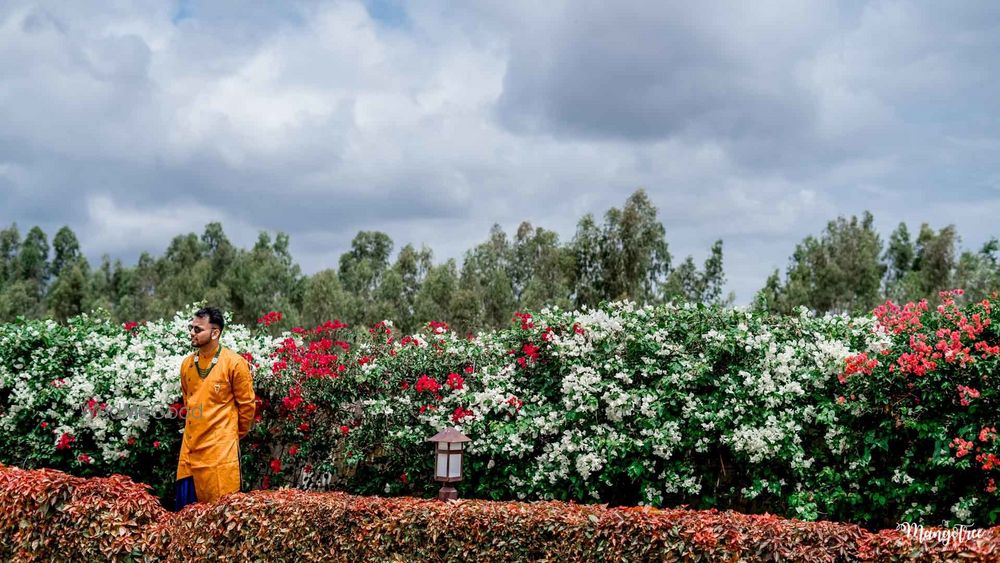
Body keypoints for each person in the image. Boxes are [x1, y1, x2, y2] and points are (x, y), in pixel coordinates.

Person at [174, 307, 256, 510]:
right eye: (191, 328)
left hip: (220, 454)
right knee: (187, 521)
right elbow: (189, 403)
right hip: (190, 453)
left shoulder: (234, 364)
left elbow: (247, 407)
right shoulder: (187, 365)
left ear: (215, 333)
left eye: (198, 329)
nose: (192, 333)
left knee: (219, 521)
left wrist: (228, 436)